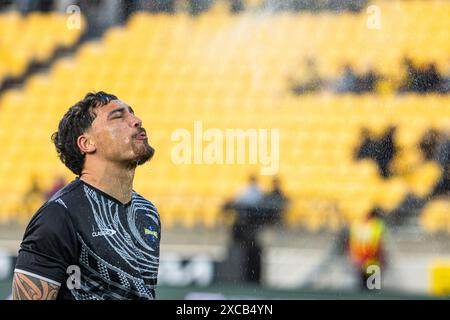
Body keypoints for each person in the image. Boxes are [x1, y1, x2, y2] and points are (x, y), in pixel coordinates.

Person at [12, 92, 160, 300]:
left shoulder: (147, 212)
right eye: (118, 116)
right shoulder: (60, 214)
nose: (136, 121)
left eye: (132, 114)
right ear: (87, 143)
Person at [348, 207, 386, 290]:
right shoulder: (377, 225)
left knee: (363, 289)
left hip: (360, 261)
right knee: (372, 289)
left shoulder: (356, 225)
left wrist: (354, 258)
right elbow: (378, 245)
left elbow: (352, 243)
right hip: (372, 262)